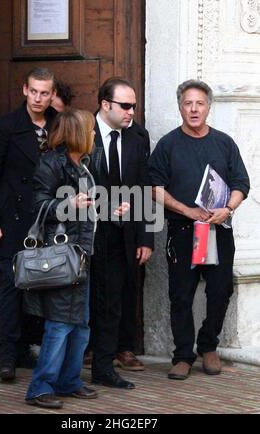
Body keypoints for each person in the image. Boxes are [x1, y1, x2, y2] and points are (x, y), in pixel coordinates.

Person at [149, 79, 250, 380]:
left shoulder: (224, 143)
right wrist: (187, 210)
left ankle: (208, 346)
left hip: (218, 231)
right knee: (180, 295)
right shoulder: (167, 144)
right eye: (187, 103)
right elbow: (154, 188)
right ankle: (182, 355)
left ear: (208, 107)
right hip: (183, 232)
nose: (193, 109)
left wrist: (228, 209)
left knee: (220, 291)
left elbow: (241, 184)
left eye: (199, 103)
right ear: (180, 106)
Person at [0, 67, 58, 381]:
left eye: (45, 93)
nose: (39, 98)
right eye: (34, 91)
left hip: (50, 221)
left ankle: (37, 352)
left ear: (53, 95)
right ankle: (7, 358)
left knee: (48, 288)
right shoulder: (5, 126)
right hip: (12, 222)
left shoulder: (59, 125)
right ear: (24, 89)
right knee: (10, 289)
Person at [24, 109, 98, 409]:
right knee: (59, 324)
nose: (94, 135)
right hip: (61, 256)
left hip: (81, 254)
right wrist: (68, 203)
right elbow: (38, 204)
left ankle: (69, 381)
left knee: (80, 324)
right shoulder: (52, 163)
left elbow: (87, 207)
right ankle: (40, 388)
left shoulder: (83, 165)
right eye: (90, 130)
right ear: (78, 134)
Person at [90, 77, 154, 389]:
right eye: (125, 106)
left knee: (113, 302)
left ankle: (104, 368)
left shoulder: (138, 136)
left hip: (123, 236)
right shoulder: (80, 132)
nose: (131, 112)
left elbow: (144, 188)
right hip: (84, 234)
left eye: (134, 106)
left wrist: (145, 236)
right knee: (77, 302)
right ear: (105, 105)